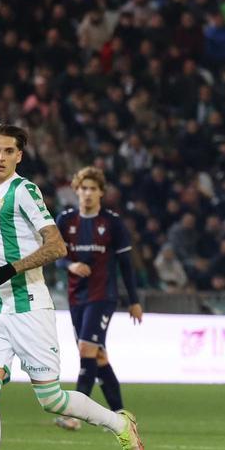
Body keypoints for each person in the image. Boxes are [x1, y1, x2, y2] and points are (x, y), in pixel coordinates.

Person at [0, 124, 144, 450]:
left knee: (51, 399)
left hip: (29, 308)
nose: (1, 157)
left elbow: (55, 246)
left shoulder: (24, 191)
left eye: (9, 151)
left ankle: (120, 423)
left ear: (19, 156)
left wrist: (11, 270)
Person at [53, 166, 143, 431]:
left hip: (103, 295)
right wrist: (70, 265)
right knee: (98, 357)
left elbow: (126, 264)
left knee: (85, 350)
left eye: (93, 189)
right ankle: (121, 417)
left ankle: (75, 416)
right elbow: (55, 255)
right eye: (84, 188)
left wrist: (134, 301)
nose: (88, 193)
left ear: (102, 193)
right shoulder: (66, 220)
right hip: (76, 296)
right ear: (76, 191)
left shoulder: (112, 223)